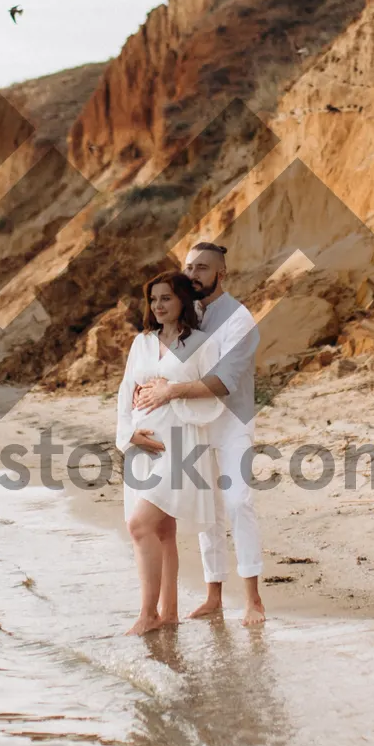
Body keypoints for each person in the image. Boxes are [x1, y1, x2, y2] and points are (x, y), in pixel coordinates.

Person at [133, 243, 265, 625]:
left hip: (232, 422)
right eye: (189, 266)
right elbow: (164, 362)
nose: (193, 274)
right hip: (192, 423)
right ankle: (214, 596)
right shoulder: (184, 313)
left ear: (221, 274)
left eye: (203, 268)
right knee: (208, 512)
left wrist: (170, 391)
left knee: (238, 501)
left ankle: (253, 600)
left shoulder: (239, 319)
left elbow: (223, 381)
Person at [115, 271, 222, 635]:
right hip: (144, 445)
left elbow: (215, 390)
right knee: (162, 530)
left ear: (182, 301)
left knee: (139, 524)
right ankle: (169, 613)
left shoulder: (202, 343)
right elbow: (124, 393)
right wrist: (129, 435)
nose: (158, 306)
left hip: (180, 442)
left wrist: (170, 390)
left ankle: (147, 614)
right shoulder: (141, 342)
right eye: (153, 299)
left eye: (166, 298)